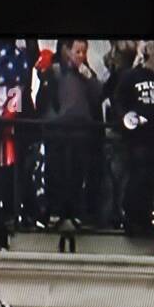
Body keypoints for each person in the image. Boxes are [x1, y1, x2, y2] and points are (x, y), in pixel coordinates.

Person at [36, 38, 106, 227]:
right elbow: (43, 99)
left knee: (77, 173)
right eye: (78, 52)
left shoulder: (86, 73)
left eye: (84, 52)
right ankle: (55, 210)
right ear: (67, 51)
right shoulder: (55, 71)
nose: (81, 56)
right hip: (57, 129)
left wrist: (89, 78)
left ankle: (75, 211)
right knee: (56, 171)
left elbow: (98, 95)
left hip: (81, 130)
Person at [116, 41, 154, 236]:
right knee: (138, 177)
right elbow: (119, 101)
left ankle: (147, 218)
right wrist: (127, 119)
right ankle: (132, 218)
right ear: (149, 53)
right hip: (138, 138)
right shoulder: (132, 76)